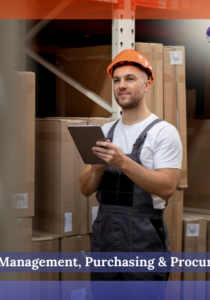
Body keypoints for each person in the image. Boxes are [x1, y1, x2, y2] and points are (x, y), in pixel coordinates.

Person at [79, 49, 182, 285]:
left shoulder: (163, 133)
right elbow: (85, 189)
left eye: (130, 79)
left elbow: (167, 188)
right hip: (105, 240)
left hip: (143, 240)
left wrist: (122, 161)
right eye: (116, 80)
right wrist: (96, 168)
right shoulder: (105, 132)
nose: (121, 85)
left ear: (147, 85)